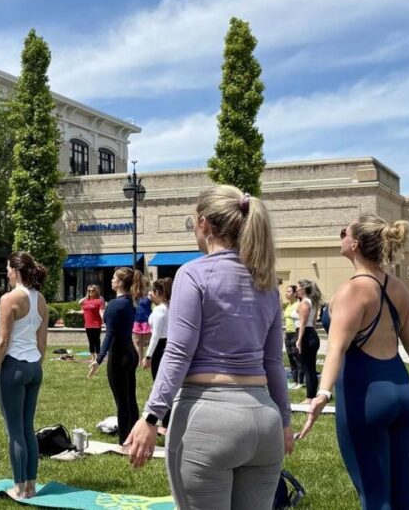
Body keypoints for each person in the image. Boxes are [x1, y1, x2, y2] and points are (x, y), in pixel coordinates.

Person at [124, 186, 293, 510]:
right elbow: (273, 361)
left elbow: (178, 352)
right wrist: (285, 420)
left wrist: (150, 417)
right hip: (265, 421)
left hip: (208, 419)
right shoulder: (267, 283)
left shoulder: (193, 273)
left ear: (204, 223)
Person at [299, 215, 409, 509]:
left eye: (342, 231)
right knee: (404, 493)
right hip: (402, 394)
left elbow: (336, 348)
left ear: (355, 244)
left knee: (375, 497)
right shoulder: (399, 288)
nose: (340, 236)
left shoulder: (351, 290)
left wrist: (322, 393)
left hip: (366, 398)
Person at [0, 252, 49, 501]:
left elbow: (3, 342)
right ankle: (31, 486)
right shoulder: (40, 299)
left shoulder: (9, 299)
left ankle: (19, 489)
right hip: (33, 368)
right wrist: (35, 364)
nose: (6, 273)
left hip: (13, 368)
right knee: (28, 428)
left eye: (8, 269)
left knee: (15, 431)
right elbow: (42, 343)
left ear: (16, 270)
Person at [88, 268, 144, 445]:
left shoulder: (115, 304)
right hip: (130, 353)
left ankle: (124, 440)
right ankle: (135, 436)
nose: (111, 280)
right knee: (130, 399)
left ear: (120, 282)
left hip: (119, 355)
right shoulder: (131, 301)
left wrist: (98, 359)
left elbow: (110, 335)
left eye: (113, 278)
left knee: (121, 401)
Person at [141, 277, 172, 428]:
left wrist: (148, 356)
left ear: (158, 292)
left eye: (152, 291)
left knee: (159, 384)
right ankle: (166, 420)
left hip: (160, 346)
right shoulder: (168, 307)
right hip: (165, 344)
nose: (150, 293)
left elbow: (156, 336)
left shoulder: (161, 310)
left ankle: (165, 421)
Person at [293, 279, 321, 403]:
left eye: (298, 288)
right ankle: (312, 394)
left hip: (305, 334)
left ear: (303, 289)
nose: (296, 290)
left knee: (307, 367)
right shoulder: (313, 302)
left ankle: (310, 397)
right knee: (311, 367)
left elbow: (303, 323)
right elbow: (313, 322)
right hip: (311, 334)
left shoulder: (305, 303)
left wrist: (299, 339)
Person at [283, 284, 303, 389]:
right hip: (288, 334)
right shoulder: (288, 305)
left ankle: (300, 381)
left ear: (295, 294)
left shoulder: (298, 305)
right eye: (286, 291)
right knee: (290, 357)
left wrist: (299, 336)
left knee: (297, 358)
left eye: (289, 291)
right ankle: (294, 380)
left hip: (296, 332)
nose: (287, 293)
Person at [79, 284, 106, 362]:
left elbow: (101, 311)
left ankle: (97, 357)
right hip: (88, 324)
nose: (91, 292)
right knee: (90, 341)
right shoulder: (86, 301)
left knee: (96, 341)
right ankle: (92, 357)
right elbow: (80, 304)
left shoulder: (99, 301)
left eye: (92, 290)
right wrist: (75, 312)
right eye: (89, 290)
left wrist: (104, 320)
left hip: (96, 324)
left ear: (96, 291)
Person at [132, 275, 152, 367]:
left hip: (147, 320)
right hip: (136, 320)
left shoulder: (149, 293)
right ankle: (140, 361)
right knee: (138, 342)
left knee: (149, 341)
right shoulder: (135, 294)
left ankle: (148, 361)